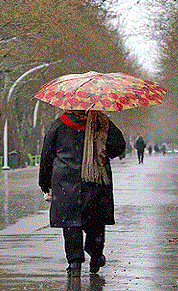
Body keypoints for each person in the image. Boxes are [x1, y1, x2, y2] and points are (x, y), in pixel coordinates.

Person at [39, 109, 126, 277]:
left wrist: (44, 182)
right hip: (95, 182)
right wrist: (100, 150)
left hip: (66, 182)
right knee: (95, 221)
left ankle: (74, 262)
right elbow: (119, 147)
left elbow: (47, 155)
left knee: (71, 223)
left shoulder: (59, 124)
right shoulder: (102, 122)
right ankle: (96, 255)